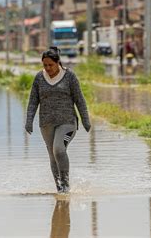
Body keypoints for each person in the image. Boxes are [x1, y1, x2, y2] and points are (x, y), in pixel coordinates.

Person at [25, 46, 91, 194]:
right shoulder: (39, 78)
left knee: (59, 150)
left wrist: (85, 120)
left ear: (58, 62)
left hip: (67, 122)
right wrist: (29, 121)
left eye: (51, 65)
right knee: (52, 156)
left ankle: (66, 185)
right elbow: (33, 102)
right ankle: (59, 189)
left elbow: (79, 99)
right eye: (45, 65)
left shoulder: (69, 76)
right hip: (46, 123)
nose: (48, 68)